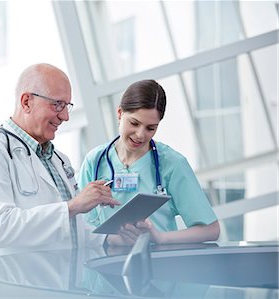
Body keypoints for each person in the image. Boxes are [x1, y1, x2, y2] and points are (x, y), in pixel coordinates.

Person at [0, 63, 120, 261]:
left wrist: (107, 239)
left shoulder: (59, 160)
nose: (65, 116)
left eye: (67, 106)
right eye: (57, 104)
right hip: (13, 288)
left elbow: (69, 230)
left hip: (62, 287)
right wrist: (73, 206)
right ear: (27, 102)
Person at [78, 79, 220, 246]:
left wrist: (161, 238)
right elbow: (79, 226)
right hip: (103, 264)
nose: (140, 135)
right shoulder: (94, 161)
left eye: (150, 128)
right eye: (134, 123)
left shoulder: (172, 164)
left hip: (157, 265)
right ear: (119, 113)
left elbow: (211, 230)